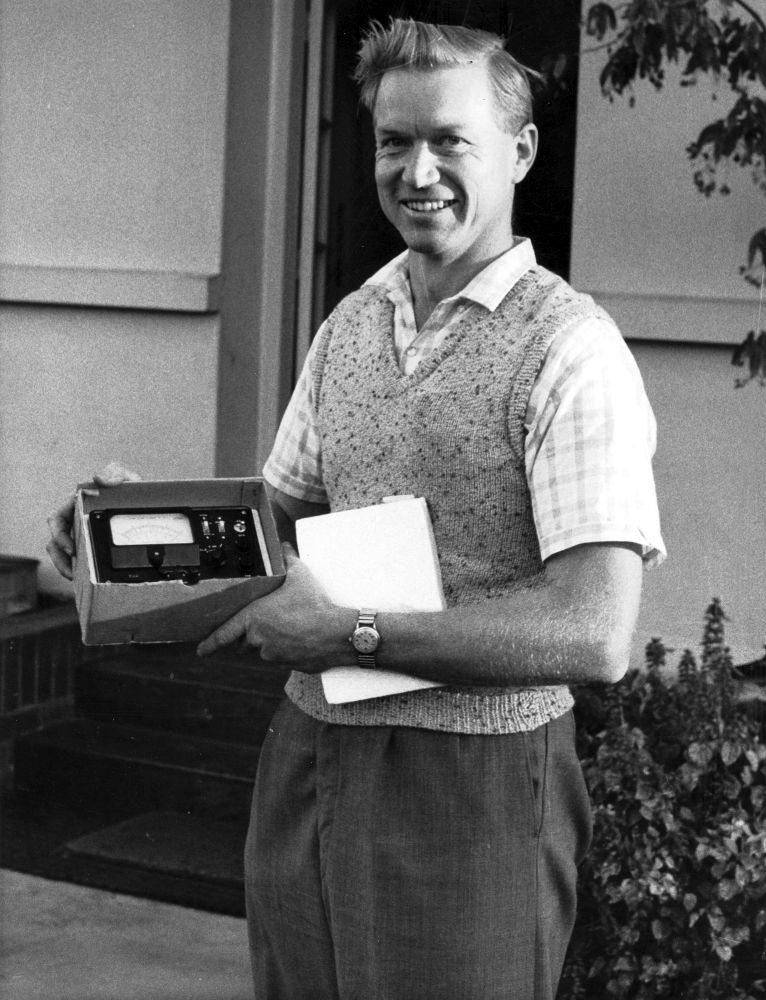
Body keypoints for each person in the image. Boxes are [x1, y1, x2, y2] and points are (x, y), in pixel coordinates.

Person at [47, 18, 665, 1000]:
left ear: (520, 149)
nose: (417, 171)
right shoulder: (349, 324)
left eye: (448, 140)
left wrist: (350, 631)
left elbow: (592, 630)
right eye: (391, 141)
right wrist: (125, 538)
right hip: (310, 754)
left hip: (477, 780)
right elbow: (272, 527)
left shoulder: (571, 350)